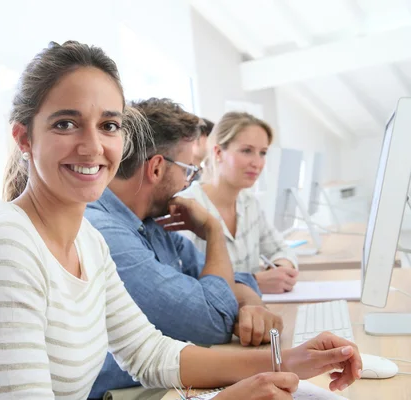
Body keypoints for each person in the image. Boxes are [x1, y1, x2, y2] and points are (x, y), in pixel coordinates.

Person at [0, 41, 362, 400]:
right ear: (24, 137)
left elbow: (150, 353)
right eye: (65, 124)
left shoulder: (86, 241)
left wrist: (290, 360)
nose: (92, 146)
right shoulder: (4, 247)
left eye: (109, 125)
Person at [84, 99, 354, 398]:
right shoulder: (106, 232)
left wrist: (252, 304)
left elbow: (235, 280)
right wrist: (213, 232)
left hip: (170, 377)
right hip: (133, 390)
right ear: (157, 168)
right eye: (189, 170)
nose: (189, 183)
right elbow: (211, 320)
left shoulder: (150, 223)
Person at [178, 112, 298, 294]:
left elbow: (282, 249)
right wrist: (253, 282)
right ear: (218, 153)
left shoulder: (250, 204)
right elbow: (184, 285)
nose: (257, 163)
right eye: (246, 151)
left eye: (263, 153)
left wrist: (278, 270)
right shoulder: (187, 206)